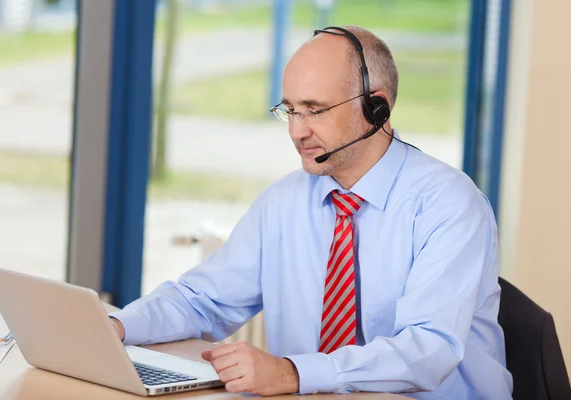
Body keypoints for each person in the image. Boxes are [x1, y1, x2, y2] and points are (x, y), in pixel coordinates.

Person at [110, 26, 513, 399]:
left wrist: (291, 374)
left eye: (315, 110)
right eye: (290, 110)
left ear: (378, 108)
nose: (296, 131)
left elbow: (427, 350)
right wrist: (118, 327)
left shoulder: (450, 205)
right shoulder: (285, 201)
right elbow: (202, 300)